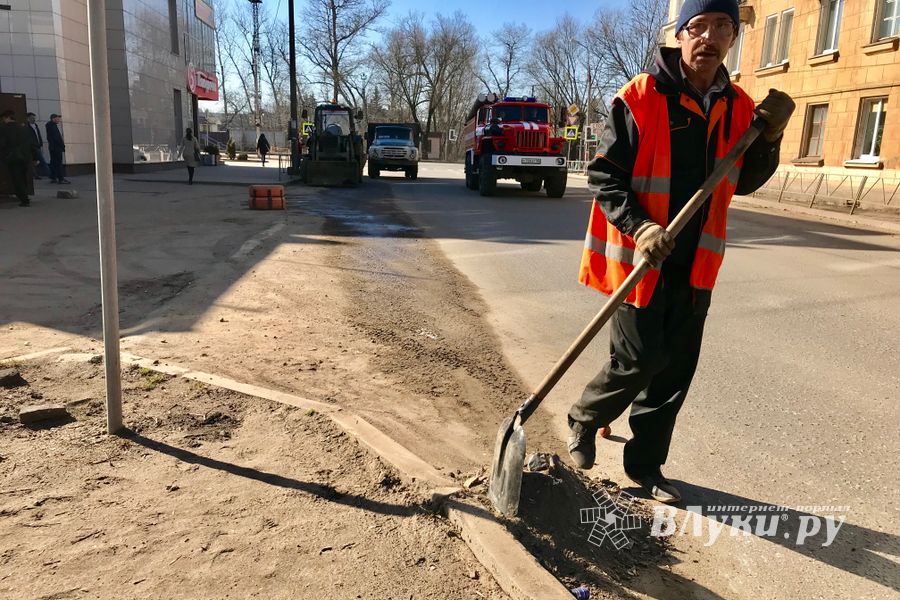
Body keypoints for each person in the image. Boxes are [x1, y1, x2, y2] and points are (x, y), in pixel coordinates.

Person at [566, 0, 795, 504]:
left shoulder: (737, 106)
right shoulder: (640, 96)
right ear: (680, 34)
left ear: (733, 38)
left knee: (673, 372)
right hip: (641, 257)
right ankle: (584, 418)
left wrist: (770, 138)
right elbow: (604, 177)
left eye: (722, 27)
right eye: (699, 26)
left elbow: (744, 180)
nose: (709, 38)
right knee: (638, 359)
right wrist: (642, 227)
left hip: (696, 262)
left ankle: (645, 466)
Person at [1, 110, 37, 207]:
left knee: (17, 179)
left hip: (12, 157)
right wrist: (35, 157)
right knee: (23, 176)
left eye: (3, 118)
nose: (3, 120)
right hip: (25, 157)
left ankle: (24, 199)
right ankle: (25, 195)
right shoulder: (24, 128)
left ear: (7, 117)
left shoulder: (3, 129)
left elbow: (2, 144)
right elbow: (32, 144)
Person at [45, 113, 70, 184]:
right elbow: (56, 138)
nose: (59, 120)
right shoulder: (52, 126)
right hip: (56, 148)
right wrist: (62, 145)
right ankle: (60, 178)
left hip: (54, 147)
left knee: (54, 163)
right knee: (58, 163)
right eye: (57, 118)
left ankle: (54, 177)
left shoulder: (51, 126)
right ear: (53, 118)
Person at [25, 112, 49, 179]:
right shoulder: (27, 126)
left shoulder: (36, 125)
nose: (34, 119)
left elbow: (38, 135)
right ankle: (49, 174)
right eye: (32, 118)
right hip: (32, 146)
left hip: (37, 145)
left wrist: (40, 143)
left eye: (34, 118)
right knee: (41, 160)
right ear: (28, 118)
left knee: (35, 161)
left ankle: (36, 175)